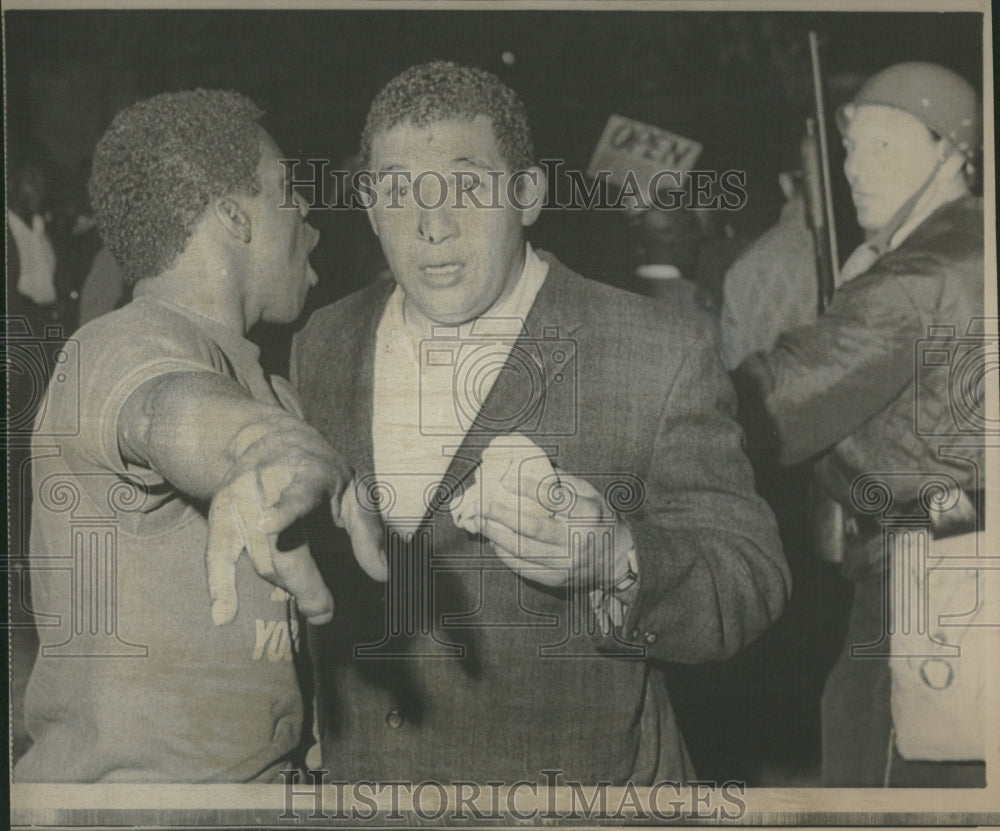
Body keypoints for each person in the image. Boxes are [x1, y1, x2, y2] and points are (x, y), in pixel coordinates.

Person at [292, 61, 788, 784]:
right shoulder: (322, 342)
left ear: (527, 193)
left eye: (466, 185)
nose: (431, 226)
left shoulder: (655, 350)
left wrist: (615, 557)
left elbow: (751, 577)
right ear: (368, 202)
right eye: (399, 191)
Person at [15, 89, 383, 783]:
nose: (310, 218)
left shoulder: (270, 385)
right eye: (286, 191)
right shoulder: (118, 344)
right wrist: (260, 448)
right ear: (233, 217)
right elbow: (166, 413)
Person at [735, 62, 986, 786]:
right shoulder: (968, 242)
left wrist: (659, 384)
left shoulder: (916, 277)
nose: (854, 168)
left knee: (873, 780)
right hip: (965, 559)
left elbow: (773, 404)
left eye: (883, 146)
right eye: (850, 149)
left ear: (950, 150)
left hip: (920, 579)